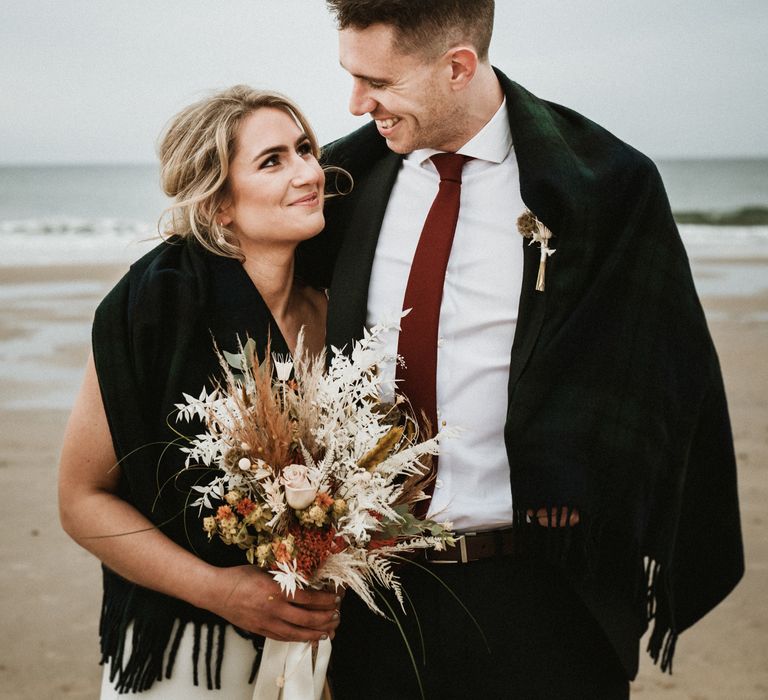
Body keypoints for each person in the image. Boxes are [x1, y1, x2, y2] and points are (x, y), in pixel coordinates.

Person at [307, 1, 745, 698]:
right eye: (352, 77)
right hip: (377, 592)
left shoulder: (603, 186)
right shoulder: (342, 183)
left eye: (379, 83)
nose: (357, 103)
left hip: (544, 599)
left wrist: (583, 472)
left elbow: (658, 363)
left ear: (457, 67)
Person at [58, 86, 343, 697]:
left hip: (313, 649)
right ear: (218, 205)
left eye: (305, 149)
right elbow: (81, 501)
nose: (308, 173)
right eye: (273, 161)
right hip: (184, 653)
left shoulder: (337, 314)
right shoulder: (153, 311)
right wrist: (221, 591)